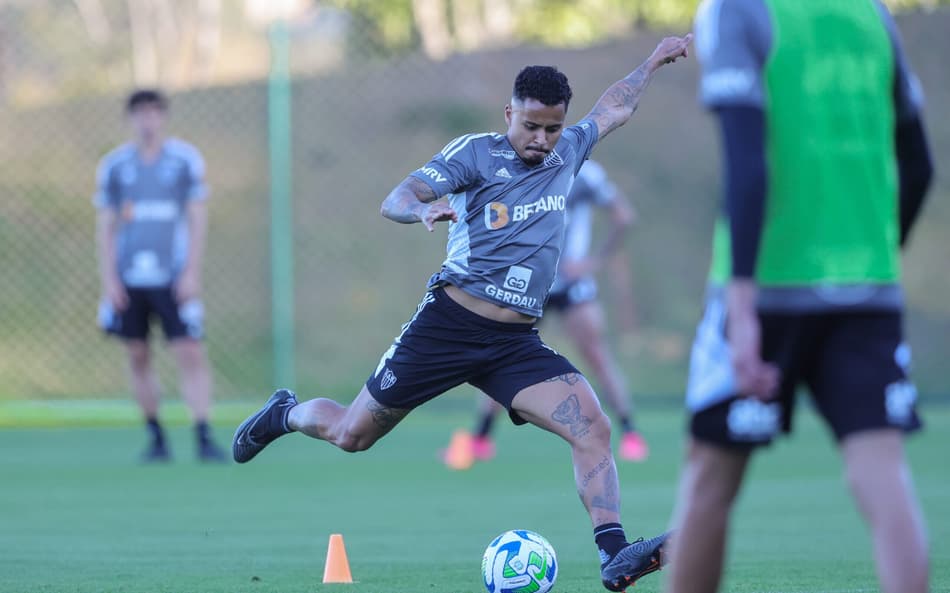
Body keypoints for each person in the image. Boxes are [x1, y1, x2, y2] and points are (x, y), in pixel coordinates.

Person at [233, 35, 692, 591]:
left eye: (552, 128)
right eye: (530, 126)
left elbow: (614, 105)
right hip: (449, 326)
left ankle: (615, 555)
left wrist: (652, 61)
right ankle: (285, 413)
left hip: (515, 343)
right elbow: (395, 198)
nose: (541, 139)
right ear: (509, 114)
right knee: (352, 434)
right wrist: (424, 209)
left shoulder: (569, 151)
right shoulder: (474, 153)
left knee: (591, 425)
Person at [665, 2, 933, 593]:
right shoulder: (870, 14)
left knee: (710, 477)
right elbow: (918, 164)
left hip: (769, 286)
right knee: (882, 476)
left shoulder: (735, 9)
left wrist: (740, 304)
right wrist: (880, 253)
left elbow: (746, 160)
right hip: (868, 290)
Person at [444, 159, 649, 466]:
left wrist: (593, 263)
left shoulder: (585, 174)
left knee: (597, 357)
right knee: (498, 355)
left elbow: (624, 216)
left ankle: (630, 434)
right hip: (528, 284)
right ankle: (481, 439)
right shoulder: (518, 170)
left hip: (571, 284)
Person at [95, 89, 226, 463]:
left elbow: (197, 217)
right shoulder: (115, 167)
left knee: (190, 351)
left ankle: (202, 434)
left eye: (154, 112)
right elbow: (105, 225)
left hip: (173, 278)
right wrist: (110, 281)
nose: (147, 121)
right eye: (140, 113)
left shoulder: (184, 161)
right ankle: (156, 438)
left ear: (163, 117)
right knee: (137, 354)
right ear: (130, 119)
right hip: (130, 279)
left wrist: (191, 272)